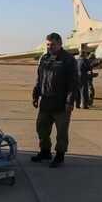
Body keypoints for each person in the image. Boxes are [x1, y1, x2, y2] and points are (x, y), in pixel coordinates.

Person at [31, 32, 78, 168]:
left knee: (61, 132)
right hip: (46, 101)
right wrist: (35, 95)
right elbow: (39, 79)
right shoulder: (45, 58)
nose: (50, 47)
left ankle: (60, 155)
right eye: (48, 44)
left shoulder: (68, 59)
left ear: (60, 44)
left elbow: (74, 82)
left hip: (61, 103)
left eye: (53, 44)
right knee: (41, 128)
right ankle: (45, 152)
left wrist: (70, 101)